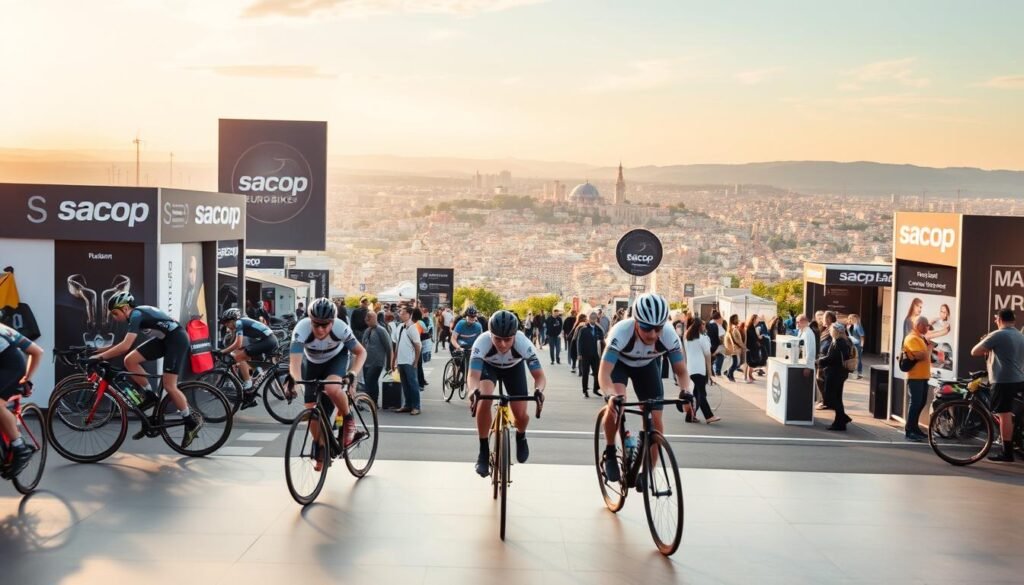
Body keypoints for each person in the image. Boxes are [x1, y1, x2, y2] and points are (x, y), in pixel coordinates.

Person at [598, 293, 691, 482]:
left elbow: (681, 371)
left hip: (647, 366)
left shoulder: (669, 335)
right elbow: (604, 373)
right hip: (619, 364)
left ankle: (648, 470)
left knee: (655, 419)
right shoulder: (621, 332)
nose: (653, 334)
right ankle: (610, 450)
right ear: (636, 322)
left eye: (658, 329)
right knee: (618, 405)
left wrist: (686, 392)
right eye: (647, 328)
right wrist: (610, 395)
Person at [94, 292, 203, 447]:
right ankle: (150, 395)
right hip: (165, 339)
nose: (114, 317)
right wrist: (97, 352)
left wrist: (99, 358)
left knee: (169, 385)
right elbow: (122, 345)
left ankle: (190, 421)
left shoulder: (136, 315)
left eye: (115, 313)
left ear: (125, 308)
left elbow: (125, 346)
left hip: (177, 340)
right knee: (130, 360)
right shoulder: (136, 314)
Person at [288, 297, 367, 470]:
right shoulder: (301, 329)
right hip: (312, 363)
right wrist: (294, 382)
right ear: (310, 320)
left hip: (336, 359)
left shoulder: (340, 327)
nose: (320, 329)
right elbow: (294, 364)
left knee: (331, 388)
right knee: (310, 409)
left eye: (325, 325)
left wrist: (353, 373)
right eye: (316, 324)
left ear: (332, 322)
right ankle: (322, 448)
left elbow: (361, 352)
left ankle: (348, 419)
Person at [468, 310, 546, 477]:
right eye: (498, 339)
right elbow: (473, 376)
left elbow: (539, 376)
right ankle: (483, 450)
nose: (503, 344)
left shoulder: (523, 343)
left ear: (515, 336)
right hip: (489, 368)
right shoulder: (481, 342)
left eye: (508, 339)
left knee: (520, 415)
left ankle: (521, 436)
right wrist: (473, 390)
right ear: (490, 335)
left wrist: (539, 390)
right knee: (484, 400)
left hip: (514, 369)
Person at [971, 309, 1024, 462]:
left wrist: (987, 344)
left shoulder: (998, 334)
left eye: (996, 319)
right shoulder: (1020, 336)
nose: (995, 321)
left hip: (1003, 380)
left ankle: (1007, 452)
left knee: (1004, 414)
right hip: (1019, 379)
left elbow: (974, 351)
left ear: (1000, 319)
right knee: (1010, 414)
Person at [0, 323, 43, 477]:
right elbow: (37, 351)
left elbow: (37, 352)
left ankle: (20, 448)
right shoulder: (3, 328)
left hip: (11, 368)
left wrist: (26, 380)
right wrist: (28, 379)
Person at [217, 308, 279, 408]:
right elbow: (236, 343)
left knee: (238, 357)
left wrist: (222, 352)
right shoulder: (240, 323)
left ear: (233, 320)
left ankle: (249, 386)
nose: (226, 325)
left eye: (227, 322)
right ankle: (253, 381)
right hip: (268, 340)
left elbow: (238, 343)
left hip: (268, 341)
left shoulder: (239, 323)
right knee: (239, 354)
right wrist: (227, 351)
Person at [901, 315, 933, 441]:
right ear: (919, 325)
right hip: (915, 377)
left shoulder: (920, 338)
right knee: (915, 403)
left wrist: (926, 350)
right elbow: (921, 355)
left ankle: (915, 428)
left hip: (923, 376)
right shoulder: (911, 338)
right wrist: (927, 350)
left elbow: (923, 354)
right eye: (926, 326)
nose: (927, 328)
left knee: (921, 402)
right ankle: (909, 430)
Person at [818, 323, 853, 431]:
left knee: (830, 397)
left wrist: (819, 361)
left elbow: (832, 358)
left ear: (836, 331)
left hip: (835, 373)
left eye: (831, 329)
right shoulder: (845, 341)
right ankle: (840, 422)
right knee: (837, 398)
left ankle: (842, 418)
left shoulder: (839, 342)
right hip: (840, 373)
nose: (829, 331)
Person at [684, 317, 720, 424]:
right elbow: (708, 356)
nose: (705, 326)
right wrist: (710, 373)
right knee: (701, 394)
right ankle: (709, 416)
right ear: (700, 326)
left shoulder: (687, 338)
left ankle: (690, 416)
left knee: (696, 394)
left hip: (690, 368)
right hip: (700, 369)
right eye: (703, 325)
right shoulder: (703, 338)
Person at [392, 306, 422, 414]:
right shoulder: (400, 326)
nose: (401, 314)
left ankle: (416, 406)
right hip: (401, 360)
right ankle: (407, 405)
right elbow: (397, 344)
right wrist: (394, 360)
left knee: (413, 384)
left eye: (404, 313)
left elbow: (418, 346)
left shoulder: (412, 328)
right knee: (405, 385)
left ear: (409, 315)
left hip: (410, 361)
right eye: (400, 312)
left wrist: (416, 361)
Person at [360, 311, 392, 405]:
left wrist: (389, 364)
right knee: (368, 382)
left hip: (377, 362)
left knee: (371, 381)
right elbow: (363, 346)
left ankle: (373, 401)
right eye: (366, 320)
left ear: (374, 319)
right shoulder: (367, 331)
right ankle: (370, 401)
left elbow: (388, 347)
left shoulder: (381, 330)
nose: (367, 322)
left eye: (368, 320)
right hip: (366, 362)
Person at [576, 312, 605, 398]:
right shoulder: (583, 329)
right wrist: (579, 353)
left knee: (597, 372)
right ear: (588, 319)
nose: (593, 320)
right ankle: (585, 390)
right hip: (585, 354)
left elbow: (602, 340)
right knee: (585, 373)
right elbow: (579, 342)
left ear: (596, 319)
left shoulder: (598, 329)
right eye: (591, 318)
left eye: (594, 318)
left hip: (596, 355)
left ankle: (596, 389)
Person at [816, 311, 837, 409]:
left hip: (827, 359)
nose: (822, 320)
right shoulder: (825, 329)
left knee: (822, 380)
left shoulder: (833, 329)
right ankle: (825, 401)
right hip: (823, 358)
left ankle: (826, 402)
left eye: (824, 318)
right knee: (821, 380)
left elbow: (833, 344)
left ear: (829, 319)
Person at [796, 314, 817, 382]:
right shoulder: (801, 331)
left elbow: (810, 350)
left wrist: (808, 366)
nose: (797, 324)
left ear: (804, 321)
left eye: (798, 322)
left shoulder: (808, 333)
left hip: (806, 365)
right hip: (801, 363)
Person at [724, 314, 744, 382]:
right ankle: (730, 374)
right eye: (737, 319)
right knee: (736, 364)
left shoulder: (731, 328)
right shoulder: (734, 329)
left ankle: (728, 373)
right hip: (733, 349)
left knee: (736, 363)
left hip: (732, 348)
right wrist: (743, 346)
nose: (738, 320)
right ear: (734, 320)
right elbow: (736, 340)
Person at [743, 314, 762, 384]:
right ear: (754, 319)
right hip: (749, 347)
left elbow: (754, 337)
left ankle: (750, 375)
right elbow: (750, 338)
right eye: (757, 319)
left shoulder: (753, 326)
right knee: (747, 363)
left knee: (751, 362)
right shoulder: (749, 327)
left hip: (753, 347)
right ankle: (745, 378)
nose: (758, 320)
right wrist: (758, 338)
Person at [847, 314, 866, 379]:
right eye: (849, 318)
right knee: (854, 359)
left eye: (851, 318)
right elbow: (851, 336)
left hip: (858, 345)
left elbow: (862, 337)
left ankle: (860, 374)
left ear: (855, 318)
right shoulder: (854, 325)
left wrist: (862, 346)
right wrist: (848, 330)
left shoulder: (858, 326)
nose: (850, 320)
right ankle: (855, 372)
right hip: (854, 344)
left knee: (858, 359)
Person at [707, 310, 725, 376]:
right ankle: (717, 371)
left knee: (712, 359)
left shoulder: (709, 323)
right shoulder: (717, 325)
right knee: (721, 355)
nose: (722, 320)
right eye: (721, 319)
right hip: (715, 346)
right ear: (718, 318)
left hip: (709, 345)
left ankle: (712, 371)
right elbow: (721, 336)